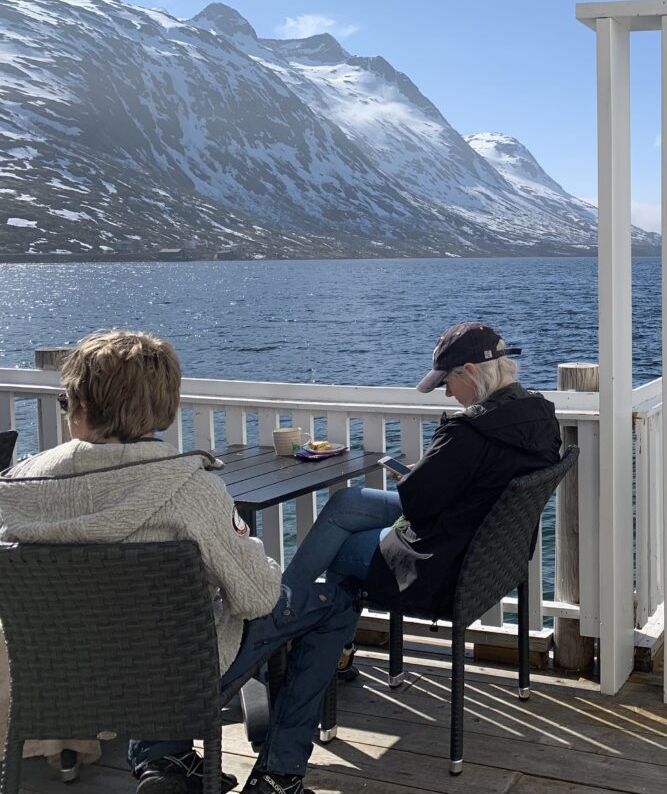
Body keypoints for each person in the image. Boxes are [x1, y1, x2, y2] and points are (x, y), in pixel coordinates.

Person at [0, 331, 358, 794]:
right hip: (175, 674)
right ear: (164, 406)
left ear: (81, 403)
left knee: (135, 627)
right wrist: (262, 566)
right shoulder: (188, 486)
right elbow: (256, 597)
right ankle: (279, 775)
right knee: (329, 603)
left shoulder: (17, 486)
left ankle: (165, 761)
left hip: (59, 677)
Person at [281, 322, 561, 660]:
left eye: (447, 382)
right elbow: (490, 477)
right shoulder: (541, 414)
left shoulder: (468, 430)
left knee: (340, 549)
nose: (448, 394)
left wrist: (423, 471)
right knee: (345, 503)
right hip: (489, 551)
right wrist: (438, 470)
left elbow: (417, 507)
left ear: (471, 371)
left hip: (440, 564)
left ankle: (292, 630)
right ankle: (291, 617)